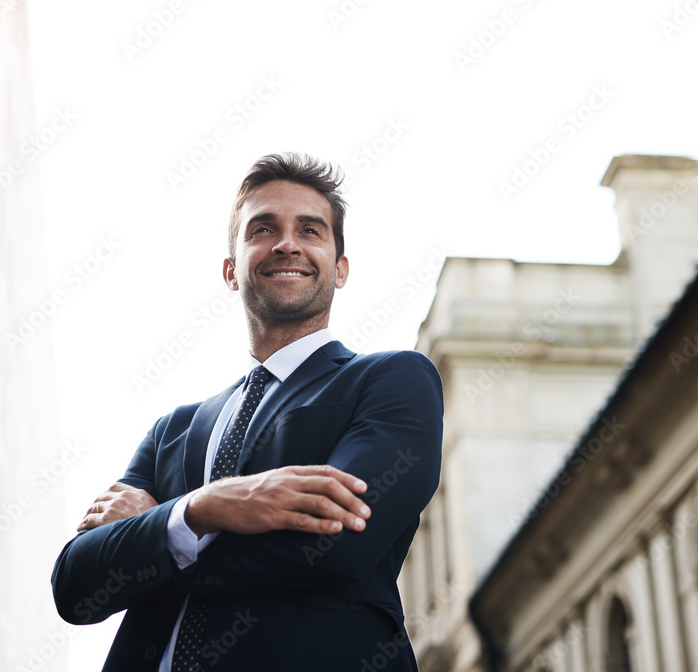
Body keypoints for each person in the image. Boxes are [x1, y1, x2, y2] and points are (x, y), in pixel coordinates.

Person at [51, 152, 443, 671]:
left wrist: (160, 533)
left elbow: (332, 546)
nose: (287, 243)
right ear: (231, 269)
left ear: (340, 268)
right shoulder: (175, 429)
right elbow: (77, 586)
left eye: (310, 230)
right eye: (263, 228)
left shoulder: (392, 380)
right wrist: (199, 510)